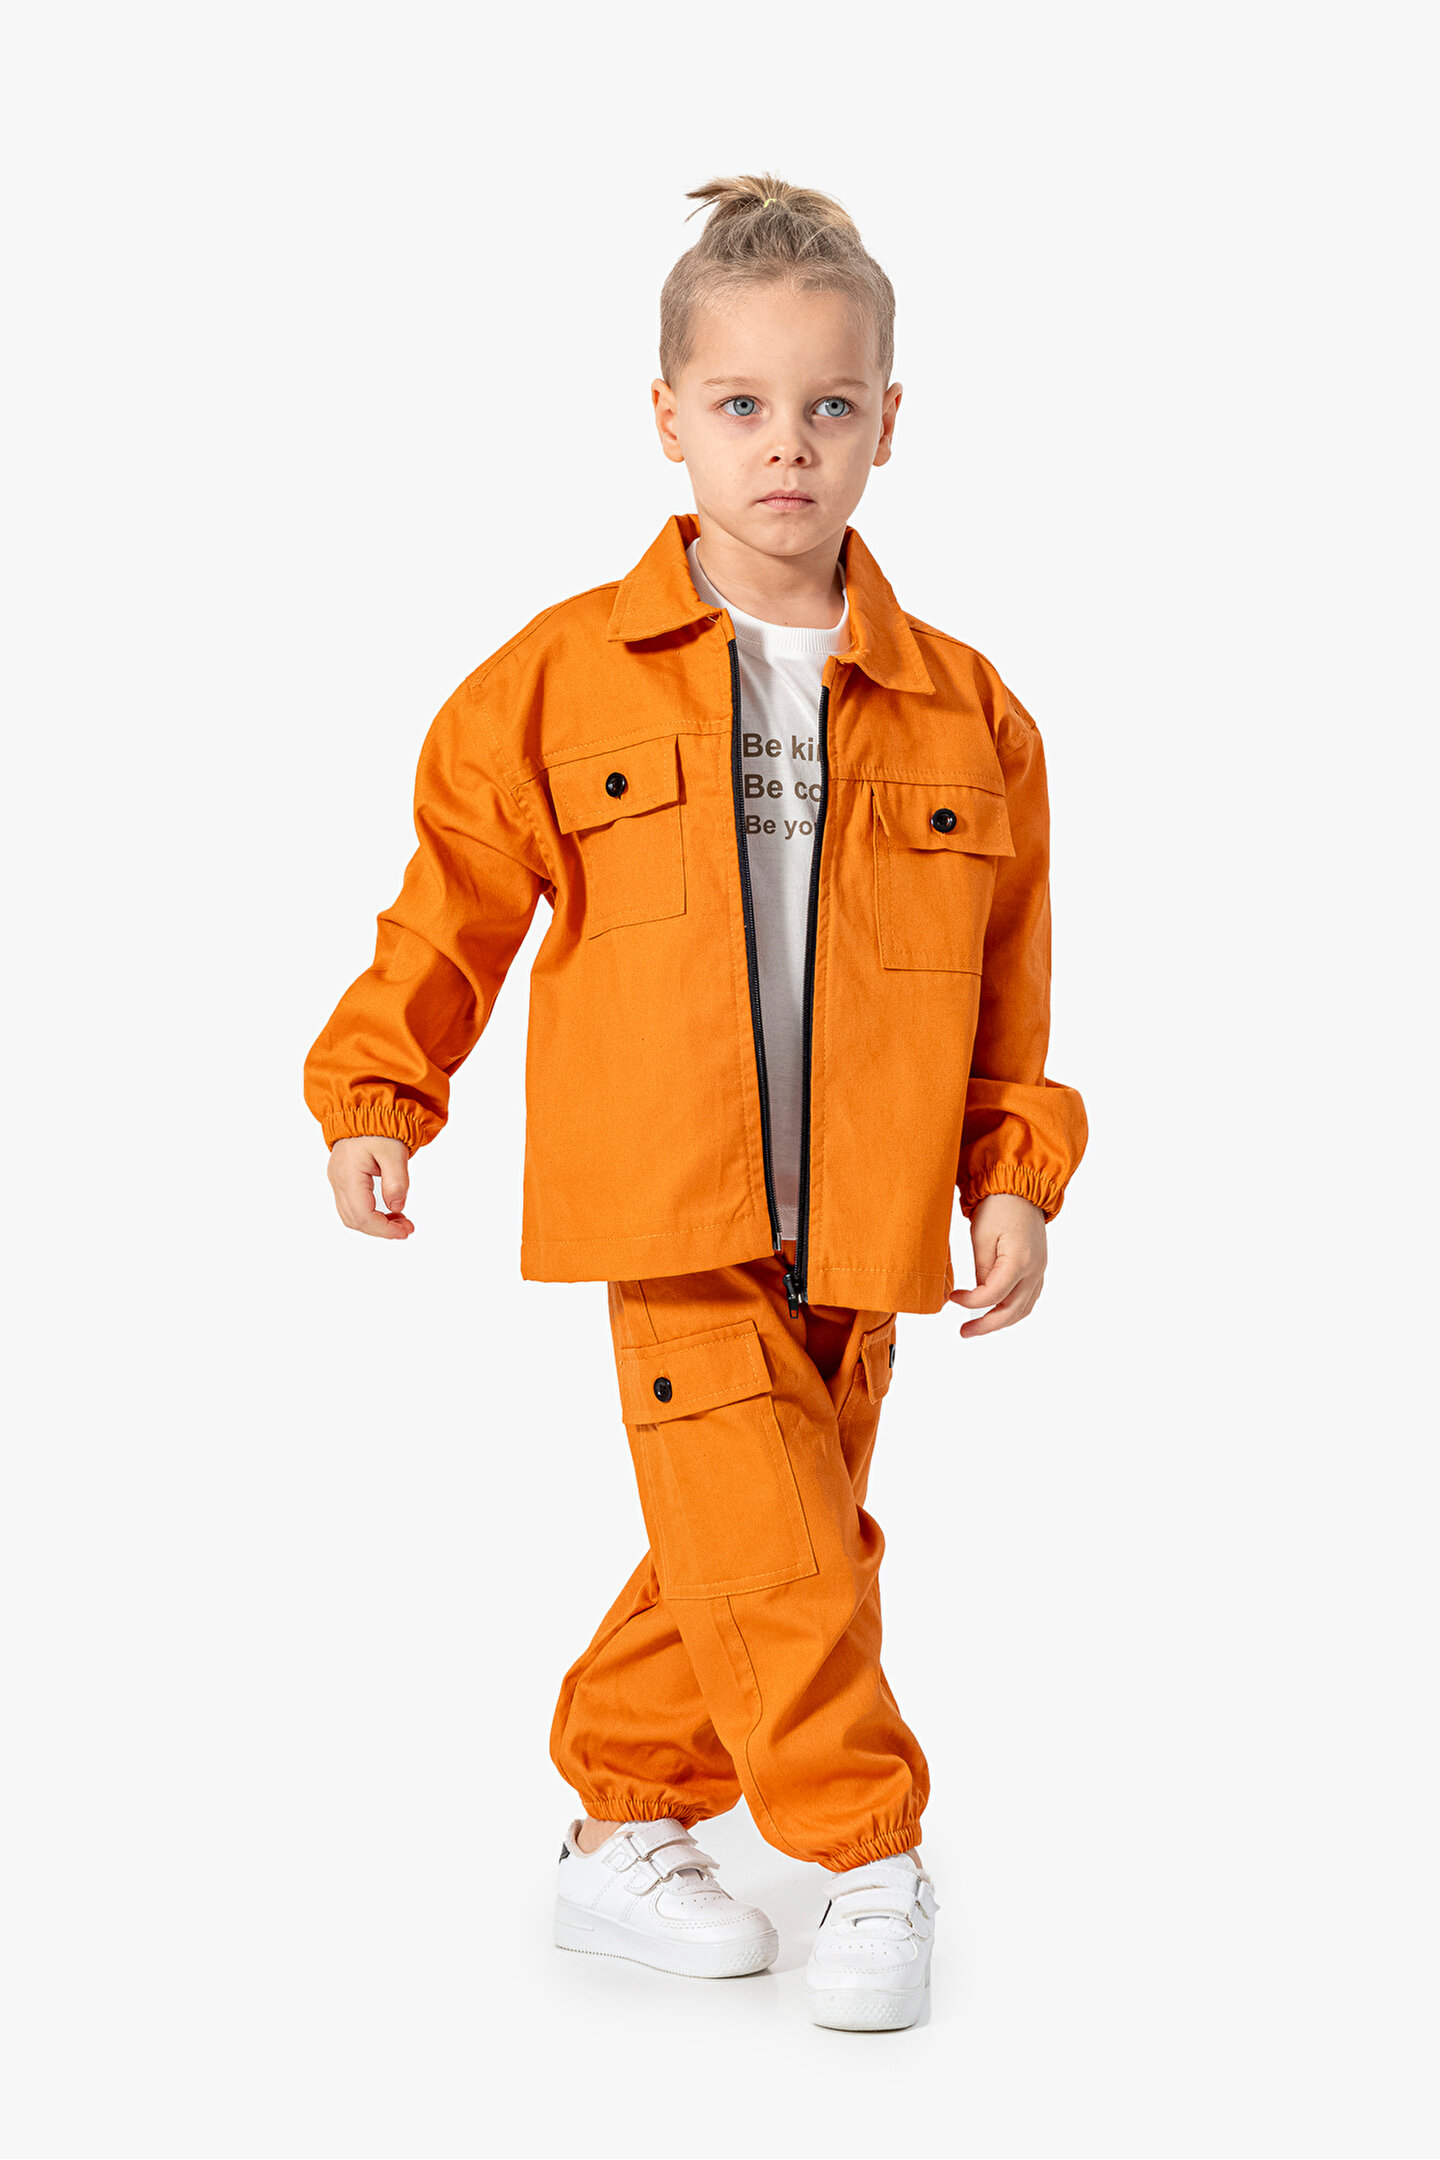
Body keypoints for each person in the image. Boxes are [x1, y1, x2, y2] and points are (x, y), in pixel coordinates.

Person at [304, 173, 1087, 2032]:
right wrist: (380, 1088)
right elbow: (453, 901)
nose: (786, 445)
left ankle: (617, 1822)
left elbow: (1013, 979)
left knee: (765, 1539)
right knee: (784, 1541)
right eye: (742, 404)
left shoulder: (970, 710)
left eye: (828, 404)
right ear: (667, 418)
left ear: (889, 421)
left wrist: (1012, 1171)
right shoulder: (557, 680)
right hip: (668, 1194)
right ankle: (869, 1852)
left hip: (869, 1211)